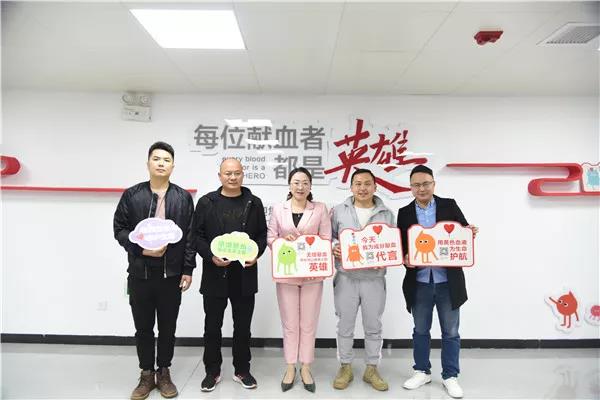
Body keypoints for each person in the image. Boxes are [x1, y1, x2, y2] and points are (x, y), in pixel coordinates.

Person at [113, 141, 196, 400]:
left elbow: (190, 237)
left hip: (171, 274)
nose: (161, 163)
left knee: (168, 327)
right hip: (140, 273)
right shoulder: (132, 195)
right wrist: (141, 250)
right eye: (156, 159)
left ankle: (164, 372)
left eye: (166, 160)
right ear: (148, 163)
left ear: (173, 165)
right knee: (143, 327)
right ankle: (146, 374)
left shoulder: (183, 197)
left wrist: (188, 269)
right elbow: (119, 230)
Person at [397, 164, 478, 399]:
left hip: (448, 281)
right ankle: (421, 371)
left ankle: (450, 375)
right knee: (420, 330)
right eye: (416, 185)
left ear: (434, 184)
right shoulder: (404, 212)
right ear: (410, 187)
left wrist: (469, 232)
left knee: (450, 332)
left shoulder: (449, 205)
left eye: (426, 183)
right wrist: (405, 259)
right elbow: (401, 246)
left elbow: (463, 233)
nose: (421, 188)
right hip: (419, 281)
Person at [191, 158, 267, 392]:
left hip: (244, 276)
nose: (232, 177)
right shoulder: (206, 202)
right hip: (215, 275)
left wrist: (256, 253)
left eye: (237, 173)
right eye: (228, 173)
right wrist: (210, 255)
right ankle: (212, 371)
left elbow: (262, 235)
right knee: (212, 327)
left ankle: (242, 370)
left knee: (242, 327)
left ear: (243, 174)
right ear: (220, 176)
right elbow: (196, 236)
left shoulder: (254, 202)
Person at [267, 167, 332, 393]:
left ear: (310, 186)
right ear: (289, 185)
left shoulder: (320, 208)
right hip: (287, 274)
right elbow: (270, 237)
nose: (300, 187)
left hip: (312, 274)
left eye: (305, 183)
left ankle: (305, 367)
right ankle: (290, 366)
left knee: (308, 323)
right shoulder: (279, 209)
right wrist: (283, 240)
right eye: (296, 182)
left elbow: (326, 238)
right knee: (290, 323)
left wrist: (310, 244)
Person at [330, 168, 395, 392]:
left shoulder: (386, 214)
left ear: (375, 187)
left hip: (374, 279)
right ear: (351, 187)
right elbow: (329, 237)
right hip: (346, 277)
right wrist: (334, 247)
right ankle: (345, 367)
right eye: (358, 184)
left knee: (373, 325)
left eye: (367, 184)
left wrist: (385, 258)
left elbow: (393, 244)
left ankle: (372, 368)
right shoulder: (339, 211)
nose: (363, 188)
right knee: (344, 325)